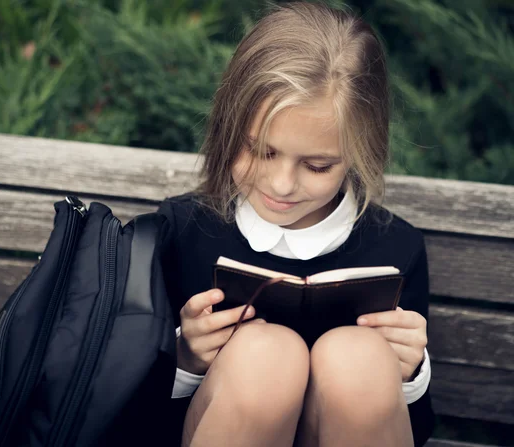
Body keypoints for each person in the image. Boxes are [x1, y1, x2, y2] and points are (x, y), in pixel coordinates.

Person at [157, 2, 434, 446]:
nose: (281, 185)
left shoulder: (395, 249)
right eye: (260, 152)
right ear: (228, 127)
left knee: (360, 358)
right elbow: (134, 417)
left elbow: (417, 431)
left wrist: (408, 372)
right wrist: (186, 359)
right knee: (266, 358)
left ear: (363, 152)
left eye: (318, 165)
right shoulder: (184, 230)